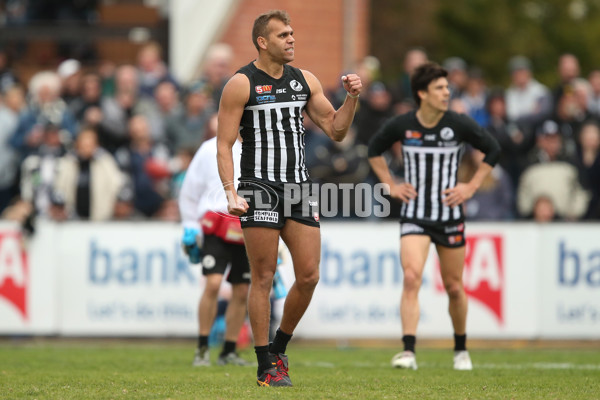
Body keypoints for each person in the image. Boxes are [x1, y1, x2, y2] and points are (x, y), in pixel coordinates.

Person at [216, 10, 361, 387]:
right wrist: (231, 190)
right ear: (263, 42)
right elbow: (224, 143)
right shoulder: (240, 84)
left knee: (309, 275)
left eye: (293, 33)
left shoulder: (305, 81)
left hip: (297, 187)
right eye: (283, 35)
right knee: (262, 277)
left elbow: (336, 130)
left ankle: (279, 347)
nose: (292, 39)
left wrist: (351, 99)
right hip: (259, 187)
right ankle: (266, 366)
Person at [367, 62, 501, 371]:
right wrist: (390, 186)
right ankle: (408, 352)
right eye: (440, 88)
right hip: (414, 214)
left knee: (454, 286)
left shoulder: (458, 123)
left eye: (446, 87)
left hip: (449, 216)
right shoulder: (403, 124)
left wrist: (470, 187)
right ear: (422, 94)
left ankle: (460, 348)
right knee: (411, 277)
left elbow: (493, 149)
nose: (447, 92)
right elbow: (373, 150)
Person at [178, 133, 251, 367]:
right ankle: (202, 347)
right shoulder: (209, 149)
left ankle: (229, 350)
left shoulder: (260, 147)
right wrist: (190, 225)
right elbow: (190, 189)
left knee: (241, 291)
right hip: (216, 224)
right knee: (212, 284)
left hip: (249, 226)